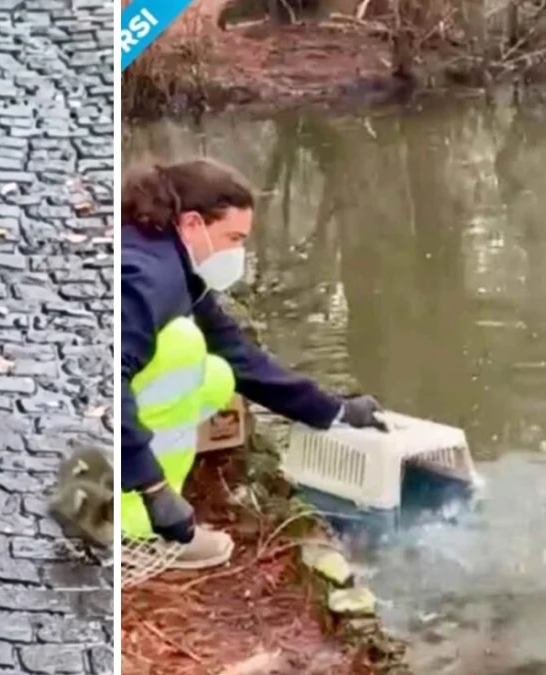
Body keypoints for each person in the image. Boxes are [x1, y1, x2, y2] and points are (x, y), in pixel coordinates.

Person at [120, 157, 389, 569]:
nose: (238, 253)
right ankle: (138, 526)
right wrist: (155, 490)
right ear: (192, 224)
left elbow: (240, 355)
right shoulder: (147, 278)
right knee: (183, 346)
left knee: (217, 376)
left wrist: (333, 410)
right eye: (233, 238)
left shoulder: (175, 265)